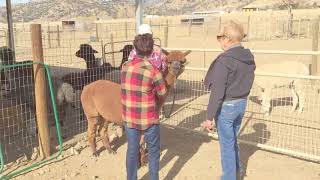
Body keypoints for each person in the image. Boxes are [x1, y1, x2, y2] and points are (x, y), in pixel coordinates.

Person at [201, 20, 256, 180]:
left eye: (220, 37)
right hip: (241, 103)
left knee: (226, 146)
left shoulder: (225, 61)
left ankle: (229, 177)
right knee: (232, 140)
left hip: (227, 106)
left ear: (227, 39)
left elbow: (217, 92)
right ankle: (236, 173)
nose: (219, 41)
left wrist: (209, 117)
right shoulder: (248, 57)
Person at [121, 30, 167, 180]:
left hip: (130, 118)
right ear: (152, 50)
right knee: (153, 151)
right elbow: (162, 92)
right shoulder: (154, 71)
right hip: (149, 119)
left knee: (132, 150)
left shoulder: (125, 67)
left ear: (135, 49)